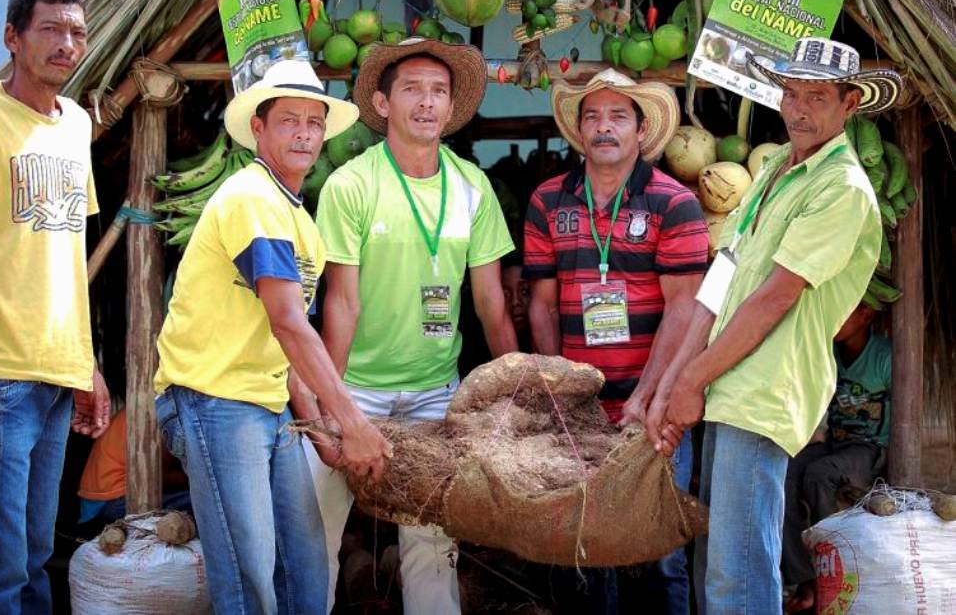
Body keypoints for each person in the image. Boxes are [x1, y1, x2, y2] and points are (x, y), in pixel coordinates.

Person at [647, 37, 903, 614]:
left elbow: (774, 299)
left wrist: (690, 381)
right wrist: (673, 383)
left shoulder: (840, 187)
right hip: (726, 383)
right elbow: (720, 284)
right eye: (790, 92)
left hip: (764, 388)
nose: (798, 108)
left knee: (736, 575)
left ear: (850, 103)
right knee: (721, 564)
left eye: (816, 95)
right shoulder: (771, 177)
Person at [153, 58, 392, 614]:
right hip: (215, 400)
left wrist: (317, 426)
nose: (305, 134)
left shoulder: (298, 217)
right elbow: (288, 322)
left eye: (314, 122)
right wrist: (352, 423)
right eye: (289, 120)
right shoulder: (252, 198)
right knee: (251, 571)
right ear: (258, 129)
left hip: (267, 404)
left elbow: (283, 342)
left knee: (304, 564)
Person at [314, 37, 517, 615]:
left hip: (435, 393)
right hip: (354, 388)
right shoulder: (352, 184)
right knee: (317, 536)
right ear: (382, 103)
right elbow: (341, 303)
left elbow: (491, 303)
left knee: (432, 545)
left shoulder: (473, 187)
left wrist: (512, 390)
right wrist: (333, 407)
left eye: (438, 92)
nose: (427, 103)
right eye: (412, 90)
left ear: (451, 108)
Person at [524, 68, 709, 613]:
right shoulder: (547, 201)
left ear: (641, 128)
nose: (604, 128)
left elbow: (686, 308)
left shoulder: (674, 203)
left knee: (659, 552)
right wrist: (561, 389)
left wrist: (648, 398)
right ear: (578, 131)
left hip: (653, 407)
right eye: (593, 117)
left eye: (618, 117)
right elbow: (541, 303)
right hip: (577, 409)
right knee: (582, 548)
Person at [0, 0, 111, 613]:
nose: (66, 43)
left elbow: (65, 257)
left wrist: (84, 363)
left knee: (33, 554)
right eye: (51, 29)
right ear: (12, 38)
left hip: (58, 372)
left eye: (76, 31)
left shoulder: (77, 123)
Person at [782, 303, 890, 612]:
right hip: (836, 445)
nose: (835, 317)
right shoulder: (829, 352)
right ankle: (805, 578)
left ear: (867, 316)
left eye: (846, 311)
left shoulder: (885, 356)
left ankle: (834, 564)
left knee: (819, 474)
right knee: (785, 471)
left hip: (869, 449)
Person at [78, 409, 192, 524]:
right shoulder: (161, 416)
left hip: (94, 503)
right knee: (199, 502)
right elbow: (160, 477)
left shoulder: (142, 408)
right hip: (112, 501)